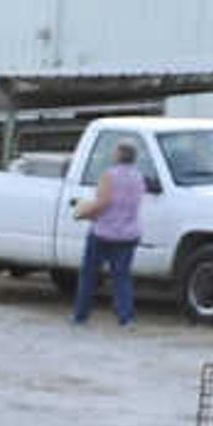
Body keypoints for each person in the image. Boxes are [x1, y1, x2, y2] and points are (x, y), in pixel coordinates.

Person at [72, 137, 150, 327]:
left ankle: (80, 315)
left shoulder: (109, 175)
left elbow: (104, 203)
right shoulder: (138, 177)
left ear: (118, 154)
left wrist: (81, 211)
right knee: (122, 276)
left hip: (104, 232)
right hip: (129, 233)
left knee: (89, 274)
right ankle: (126, 317)